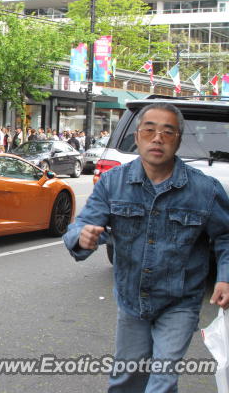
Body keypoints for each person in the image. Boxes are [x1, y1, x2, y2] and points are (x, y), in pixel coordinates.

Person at [62, 103, 229, 392]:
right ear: (137, 136)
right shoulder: (114, 182)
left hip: (180, 302)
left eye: (168, 131)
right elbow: (82, 225)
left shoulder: (206, 189)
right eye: (149, 130)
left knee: (161, 383)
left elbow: (226, 236)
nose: (157, 138)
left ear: (178, 139)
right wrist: (81, 237)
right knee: (126, 379)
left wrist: (225, 276)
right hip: (131, 300)